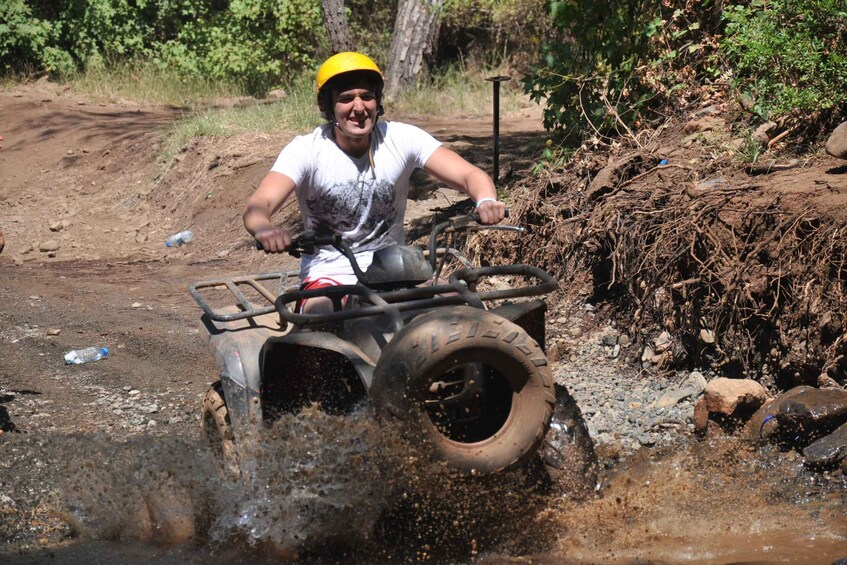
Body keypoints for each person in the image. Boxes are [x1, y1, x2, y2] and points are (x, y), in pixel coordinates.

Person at [244, 52, 505, 312]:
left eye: (366, 96)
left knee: (465, 309)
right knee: (324, 316)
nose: (359, 108)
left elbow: (470, 175)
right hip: (330, 276)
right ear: (328, 105)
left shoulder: (401, 138)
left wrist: (486, 200)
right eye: (346, 99)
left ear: (377, 101)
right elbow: (260, 204)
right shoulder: (306, 150)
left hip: (395, 271)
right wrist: (265, 229)